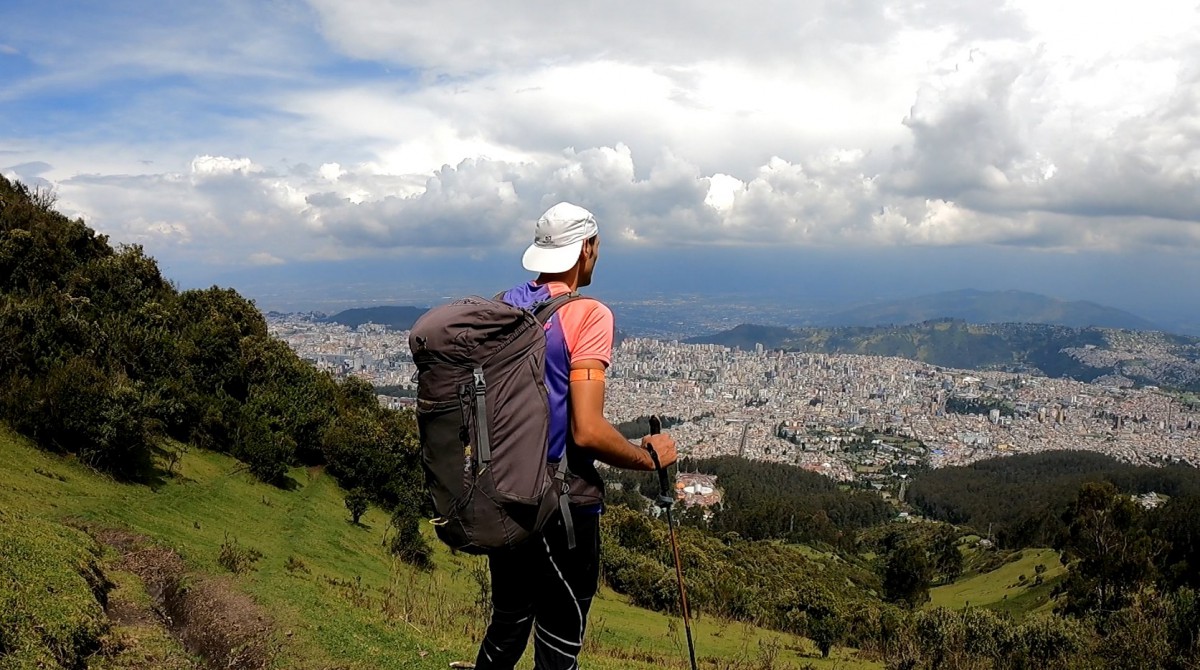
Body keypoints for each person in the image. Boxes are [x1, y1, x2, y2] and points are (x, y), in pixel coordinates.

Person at [473, 202, 678, 670]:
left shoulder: (503, 304)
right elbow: (586, 430)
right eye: (597, 247)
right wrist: (649, 458)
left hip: (504, 495)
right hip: (562, 504)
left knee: (506, 628)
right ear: (587, 248)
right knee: (559, 643)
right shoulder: (588, 315)